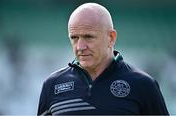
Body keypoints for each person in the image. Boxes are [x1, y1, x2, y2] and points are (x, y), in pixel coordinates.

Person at [37, 3, 169, 115]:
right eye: (74, 38)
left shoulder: (143, 85)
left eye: (89, 37)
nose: (80, 47)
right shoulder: (52, 85)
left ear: (111, 38)